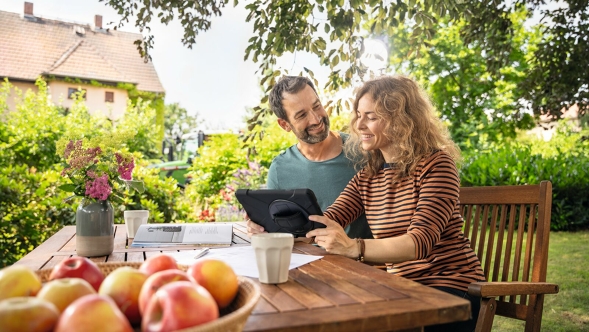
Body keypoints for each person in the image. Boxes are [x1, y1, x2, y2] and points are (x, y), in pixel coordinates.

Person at [249, 75, 485, 332]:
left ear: (401, 120)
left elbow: (420, 242)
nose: (358, 124)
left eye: (371, 117)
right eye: (358, 115)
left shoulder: (436, 164)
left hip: (450, 290)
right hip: (401, 290)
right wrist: (270, 226)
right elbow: (324, 221)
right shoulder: (369, 176)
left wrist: (353, 247)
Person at [264, 75, 373, 239]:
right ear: (285, 124)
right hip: (309, 261)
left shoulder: (364, 151)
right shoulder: (280, 169)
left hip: (362, 261)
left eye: (317, 106)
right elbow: (276, 229)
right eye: (301, 115)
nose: (315, 119)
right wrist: (260, 228)